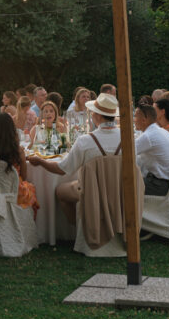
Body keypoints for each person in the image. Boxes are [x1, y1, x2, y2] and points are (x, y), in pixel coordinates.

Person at [27, 92, 123, 224]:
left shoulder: (86, 141)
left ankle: (78, 229)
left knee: (60, 191)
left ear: (98, 116)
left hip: (93, 191)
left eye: (93, 112)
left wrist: (40, 162)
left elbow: (62, 169)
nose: (91, 114)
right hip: (120, 189)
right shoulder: (129, 138)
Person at [133, 102, 169, 196]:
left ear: (144, 120)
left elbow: (126, 152)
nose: (134, 120)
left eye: (135, 117)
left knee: (124, 186)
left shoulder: (148, 136)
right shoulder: (160, 130)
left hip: (160, 185)